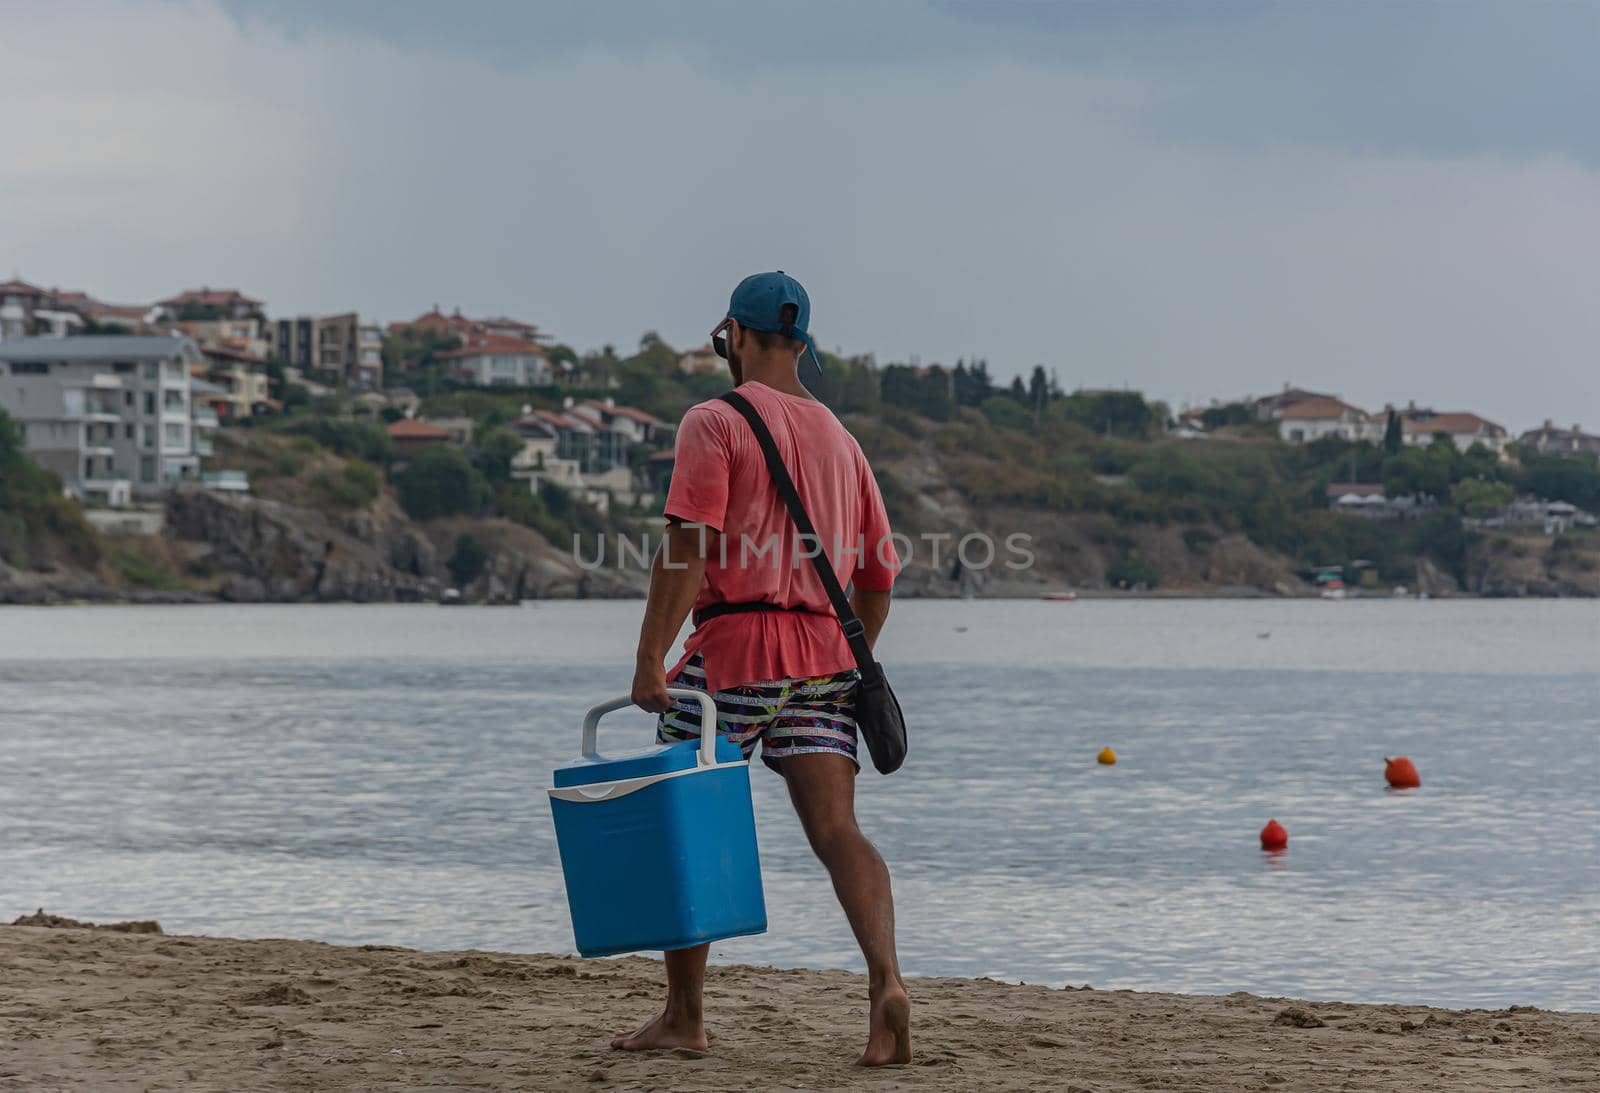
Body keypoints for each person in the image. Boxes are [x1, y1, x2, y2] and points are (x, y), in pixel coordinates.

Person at [618, 271, 910, 1067]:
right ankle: (886, 984)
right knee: (837, 828)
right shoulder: (842, 441)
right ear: (802, 344)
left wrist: (650, 659)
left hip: (730, 660)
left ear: (734, 337)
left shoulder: (715, 421)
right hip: (822, 663)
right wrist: (849, 656)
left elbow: (687, 545)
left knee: (689, 821)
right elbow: (879, 576)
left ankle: (684, 1014)